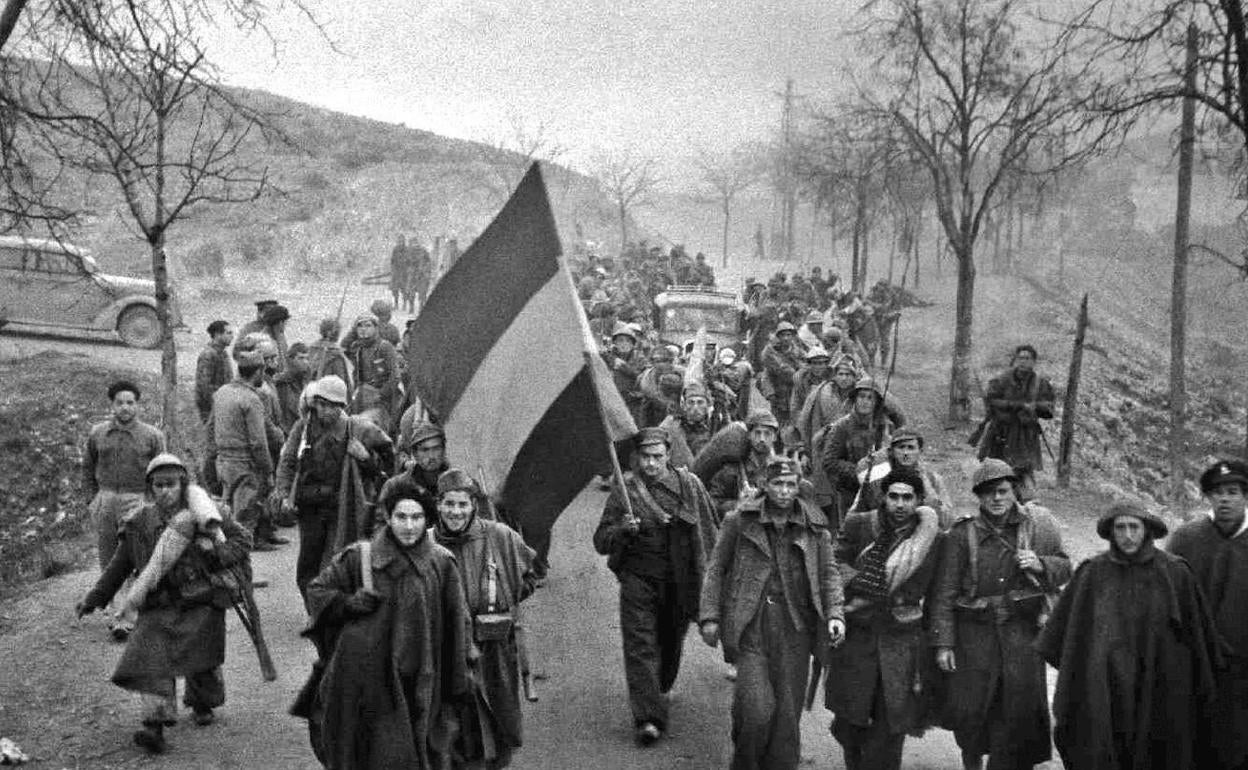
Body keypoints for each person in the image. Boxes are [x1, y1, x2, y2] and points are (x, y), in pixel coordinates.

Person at [76, 454, 251, 755]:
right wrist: (94, 599)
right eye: (158, 485)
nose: (165, 491)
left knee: (203, 658)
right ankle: (154, 725)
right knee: (148, 655)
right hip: (159, 604)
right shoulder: (138, 523)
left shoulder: (208, 513)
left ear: (183, 484)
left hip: (201, 600)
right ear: (150, 488)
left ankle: (203, 701)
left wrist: (214, 554)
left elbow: (243, 540)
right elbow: (119, 567)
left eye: (171, 484)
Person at [294, 496, 475, 769]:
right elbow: (317, 590)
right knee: (377, 752)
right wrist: (346, 604)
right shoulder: (359, 557)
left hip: (423, 677)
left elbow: (457, 623)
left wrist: (458, 682)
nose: (409, 526)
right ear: (388, 518)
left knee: (427, 748)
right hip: (369, 681)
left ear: (427, 521)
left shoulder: (441, 563)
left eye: (417, 518)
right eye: (401, 517)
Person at [1038, 501, 1220, 770]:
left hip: (1160, 688)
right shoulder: (1091, 573)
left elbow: (1198, 640)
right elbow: (1064, 639)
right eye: (1120, 528)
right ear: (1111, 532)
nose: (1127, 535)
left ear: (1146, 530)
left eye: (1134, 527)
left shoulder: (1175, 573)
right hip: (1105, 689)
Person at [699, 457, 845, 770]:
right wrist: (709, 615)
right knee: (755, 709)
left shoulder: (815, 527)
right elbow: (716, 569)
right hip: (751, 623)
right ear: (765, 485)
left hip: (796, 628)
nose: (783, 491)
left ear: (798, 487)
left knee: (786, 717)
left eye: (790, 484)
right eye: (777, 484)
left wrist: (835, 614)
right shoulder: (739, 521)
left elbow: (829, 573)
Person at [930, 458, 1071, 770]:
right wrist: (944, 644)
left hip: (1021, 637)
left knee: (1017, 717)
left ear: (1014, 492)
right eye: (989, 492)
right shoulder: (962, 533)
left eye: (1003, 491)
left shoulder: (1036, 525)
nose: (997, 498)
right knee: (971, 717)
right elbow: (944, 592)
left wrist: (1040, 564)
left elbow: (1065, 568)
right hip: (974, 638)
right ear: (979, 496)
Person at [593, 427, 718, 746]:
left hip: (678, 579)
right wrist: (622, 528)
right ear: (637, 457)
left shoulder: (688, 485)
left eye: (657, 457)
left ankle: (658, 687)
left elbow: (707, 532)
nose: (650, 464)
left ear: (668, 455)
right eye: (645, 457)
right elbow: (601, 542)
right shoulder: (625, 490)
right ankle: (648, 718)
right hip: (638, 579)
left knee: (671, 640)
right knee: (640, 645)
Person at [826, 467, 942, 770]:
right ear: (883, 497)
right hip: (858, 637)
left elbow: (939, 596)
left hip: (901, 642)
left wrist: (937, 643)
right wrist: (863, 581)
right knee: (850, 724)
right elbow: (833, 563)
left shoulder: (931, 540)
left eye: (908, 497)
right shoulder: (860, 525)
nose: (900, 504)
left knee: (890, 729)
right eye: (894, 496)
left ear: (918, 500)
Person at [434, 469, 538, 769]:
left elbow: (532, 572)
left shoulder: (500, 536)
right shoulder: (428, 542)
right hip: (449, 649)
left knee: (500, 721)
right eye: (449, 504)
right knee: (456, 724)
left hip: (495, 650)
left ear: (473, 506)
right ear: (438, 505)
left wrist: (508, 592)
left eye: (462, 505)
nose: (455, 512)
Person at [276, 375, 395, 601]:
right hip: (309, 508)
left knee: (335, 566)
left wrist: (365, 459)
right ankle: (318, 614)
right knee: (307, 570)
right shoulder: (303, 428)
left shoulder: (358, 428)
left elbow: (389, 460)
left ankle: (333, 618)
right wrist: (283, 493)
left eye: (330, 405)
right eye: (320, 404)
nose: (323, 410)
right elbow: (288, 461)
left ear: (342, 406)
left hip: (342, 509)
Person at [1167, 459, 1248, 770]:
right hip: (1195, 666)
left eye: (1232, 491)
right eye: (1217, 493)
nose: (1224, 499)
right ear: (1208, 498)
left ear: (1244, 496)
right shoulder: (1187, 539)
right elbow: (1168, 597)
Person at [83, 379, 166, 640]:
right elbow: (88, 468)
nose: (125, 408)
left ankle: (133, 614)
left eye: (130, 403)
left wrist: (156, 505)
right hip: (107, 500)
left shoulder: (152, 436)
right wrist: (92, 500)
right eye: (120, 403)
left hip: (138, 500)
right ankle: (118, 616)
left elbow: (163, 472)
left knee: (136, 556)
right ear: (112, 405)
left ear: (138, 405)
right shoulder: (98, 433)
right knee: (109, 560)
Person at [206, 350, 276, 551]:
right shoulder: (251, 399)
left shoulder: (221, 392)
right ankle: (242, 573)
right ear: (259, 371)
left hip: (223, 462)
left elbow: (210, 428)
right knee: (244, 522)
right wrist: (268, 470)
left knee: (227, 517)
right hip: (245, 465)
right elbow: (258, 442)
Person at [821, 377, 903, 529]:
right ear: (855, 399)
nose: (865, 401)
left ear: (877, 402)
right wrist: (860, 471)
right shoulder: (841, 427)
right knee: (850, 534)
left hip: (881, 491)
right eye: (861, 396)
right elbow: (829, 461)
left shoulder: (885, 427)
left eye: (870, 398)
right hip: (850, 491)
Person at [977, 345, 1055, 486]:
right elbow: (992, 401)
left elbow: (1049, 408)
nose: (1023, 361)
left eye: (1027, 358)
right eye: (1020, 358)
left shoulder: (1040, 383)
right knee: (998, 470)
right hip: (1002, 432)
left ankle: (1027, 501)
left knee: (1024, 469)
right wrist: (1016, 405)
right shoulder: (1003, 379)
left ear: (1033, 361)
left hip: (1026, 434)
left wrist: (1035, 406)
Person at [852, 427, 953, 528]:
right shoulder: (877, 477)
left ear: (920, 451)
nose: (905, 453)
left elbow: (946, 521)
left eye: (911, 448)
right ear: (891, 451)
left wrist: (927, 486)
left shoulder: (933, 479)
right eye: (901, 447)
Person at [706, 410, 781, 518]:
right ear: (749, 435)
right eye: (757, 433)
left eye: (767, 433)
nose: (762, 439)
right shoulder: (732, 469)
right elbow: (712, 502)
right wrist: (737, 504)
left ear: (774, 437)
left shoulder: (781, 468)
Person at [380, 421, 448, 521]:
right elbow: (381, 525)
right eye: (425, 450)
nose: (431, 456)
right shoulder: (395, 486)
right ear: (415, 454)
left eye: (436, 448)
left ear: (444, 450)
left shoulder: (458, 482)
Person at [346, 314, 401, 425]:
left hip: (383, 400)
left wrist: (380, 394)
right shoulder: (358, 348)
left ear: (376, 328)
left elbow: (395, 376)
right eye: (360, 326)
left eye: (368, 325)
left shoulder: (385, 347)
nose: (363, 329)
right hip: (363, 397)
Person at [659, 382, 714, 470]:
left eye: (700, 402)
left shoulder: (714, 426)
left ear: (707, 405)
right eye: (691, 403)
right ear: (684, 406)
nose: (695, 407)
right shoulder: (672, 426)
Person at [760, 322, 806, 425]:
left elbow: (805, 370)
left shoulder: (799, 353)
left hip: (795, 393)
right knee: (777, 423)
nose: (785, 338)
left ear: (793, 337)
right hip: (778, 395)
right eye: (783, 335)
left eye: (788, 335)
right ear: (778, 337)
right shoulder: (771, 353)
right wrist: (770, 393)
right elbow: (767, 374)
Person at [603, 323, 646, 424]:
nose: (624, 343)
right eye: (620, 340)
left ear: (632, 344)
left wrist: (623, 367)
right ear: (615, 343)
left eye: (627, 341)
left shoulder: (640, 358)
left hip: (633, 401)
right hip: (612, 399)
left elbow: (641, 376)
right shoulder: (608, 357)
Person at [195, 321, 234, 424]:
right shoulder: (208, 355)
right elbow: (204, 387)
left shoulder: (223, 353)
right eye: (228, 333)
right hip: (211, 408)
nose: (232, 337)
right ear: (217, 334)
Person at [274, 342, 312, 432]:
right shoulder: (281, 383)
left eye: (307, 358)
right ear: (291, 360)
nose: (305, 362)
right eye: (301, 358)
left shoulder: (307, 381)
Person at [789, 345, 833, 423]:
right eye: (814, 363)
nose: (817, 367)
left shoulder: (833, 378)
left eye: (821, 363)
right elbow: (795, 406)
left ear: (826, 364)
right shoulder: (802, 381)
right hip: (808, 419)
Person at [308, 317, 353, 391]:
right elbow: (341, 381)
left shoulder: (311, 349)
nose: (339, 334)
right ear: (330, 332)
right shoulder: (336, 355)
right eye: (338, 331)